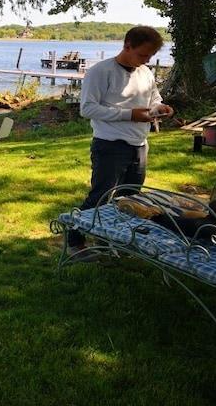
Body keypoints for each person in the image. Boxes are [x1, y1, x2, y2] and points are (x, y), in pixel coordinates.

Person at [68, 26, 174, 254]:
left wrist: (160, 108)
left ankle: (114, 242)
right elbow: (87, 109)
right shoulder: (100, 71)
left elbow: (154, 98)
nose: (146, 60)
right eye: (142, 54)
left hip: (140, 145)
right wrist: (130, 114)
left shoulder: (145, 72)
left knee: (130, 200)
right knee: (100, 198)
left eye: (150, 56)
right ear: (127, 46)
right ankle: (74, 241)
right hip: (110, 145)